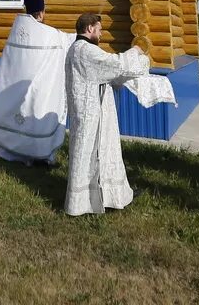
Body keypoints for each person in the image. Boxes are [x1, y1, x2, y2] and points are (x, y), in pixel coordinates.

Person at [63, 13, 172, 216]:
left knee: (98, 153)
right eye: (99, 29)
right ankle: (83, 203)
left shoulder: (77, 49)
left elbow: (105, 73)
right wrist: (135, 51)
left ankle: (109, 196)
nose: (101, 33)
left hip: (91, 111)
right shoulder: (85, 50)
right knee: (90, 154)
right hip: (91, 114)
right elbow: (116, 64)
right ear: (89, 29)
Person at [0, 0, 73, 166]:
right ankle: (35, 154)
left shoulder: (16, 29)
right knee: (34, 115)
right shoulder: (49, 34)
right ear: (41, 13)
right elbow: (67, 41)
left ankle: (9, 151)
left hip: (14, 86)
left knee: (15, 115)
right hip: (36, 86)